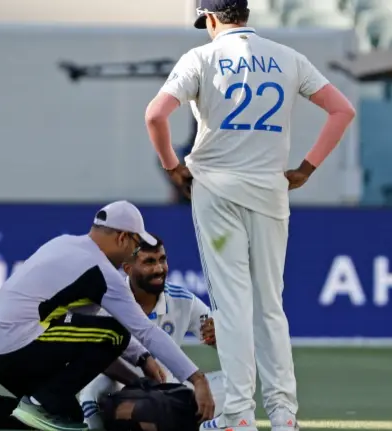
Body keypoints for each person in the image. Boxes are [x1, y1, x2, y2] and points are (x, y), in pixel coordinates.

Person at [143, 1, 356, 430]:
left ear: (213, 18)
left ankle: (239, 415)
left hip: (217, 193)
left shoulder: (201, 57)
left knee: (232, 307)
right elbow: (342, 110)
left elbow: (155, 115)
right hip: (271, 192)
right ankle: (284, 415)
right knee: (270, 306)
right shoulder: (288, 57)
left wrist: (172, 165)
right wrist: (307, 167)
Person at [0, 201, 214, 431]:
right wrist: (196, 379)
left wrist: (137, 370)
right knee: (115, 332)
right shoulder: (100, 271)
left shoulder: (65, 244)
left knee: (67, 421)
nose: (133, 252)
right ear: (122, 237)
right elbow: (141, 331)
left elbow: (87, 340)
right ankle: (41, 402)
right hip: (17, 344)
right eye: (136, 246)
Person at [79, 234, 225, 430]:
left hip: (169, 386)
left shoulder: (183, 300)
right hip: (119, 383)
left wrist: (220, 336)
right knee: (90, 394)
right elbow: (94, 355)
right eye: (149, 262)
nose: (159, 269)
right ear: (128, 269)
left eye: (162, 260)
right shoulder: (108, 299)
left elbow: (222, 342)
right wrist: (140, 382)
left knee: (234, 384)